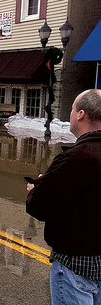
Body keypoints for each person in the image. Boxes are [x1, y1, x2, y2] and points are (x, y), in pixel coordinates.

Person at [26, 89, 101, 304]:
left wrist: (36, 189)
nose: (70, 114)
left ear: (81, 114)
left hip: (74, 267)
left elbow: (39, 207)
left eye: (71, 109)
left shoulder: (74, 159)